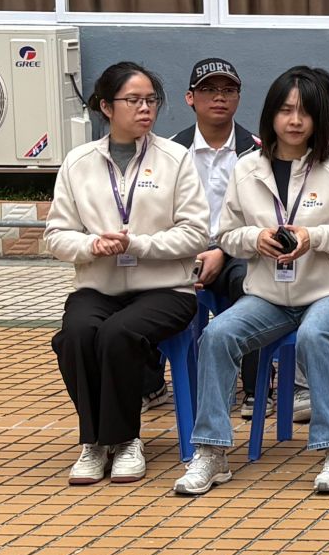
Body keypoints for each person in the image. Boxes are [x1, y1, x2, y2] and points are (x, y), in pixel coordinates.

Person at [180, 68, 329, 499]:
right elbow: (227, 234)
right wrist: (256, 239)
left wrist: (314, 237)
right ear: (270, 114)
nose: (295, 120)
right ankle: (211, 452)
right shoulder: (247, 168)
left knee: (314, 334)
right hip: (269, 296)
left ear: (319, 118)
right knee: (217, 335)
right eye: (286, 110)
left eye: (305, 112)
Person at [45, 63, 207, 486]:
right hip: (99, 285)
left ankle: (124, 440)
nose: (145, 108)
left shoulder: (175, 158)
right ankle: (95, 443)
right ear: (105, 106)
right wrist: (91, 245)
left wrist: (139, 244)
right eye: (133, 100)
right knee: (76, 334)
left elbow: (195, 233)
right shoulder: (78, 162)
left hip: (166, 288)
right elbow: (56, 235)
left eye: (151, 100)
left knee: (118, 333)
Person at [172, 57, 259, 404]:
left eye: (228, 90)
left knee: (250, 281)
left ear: (238, 97)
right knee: (146, 284)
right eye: (208, 89)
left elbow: (263, 216)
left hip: (237, 248)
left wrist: (223, 250)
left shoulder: (257, 151)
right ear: (190, 98)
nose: (219, 97)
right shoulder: (171, 151)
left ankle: (256, 388)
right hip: (183, 247)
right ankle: (152, 384)